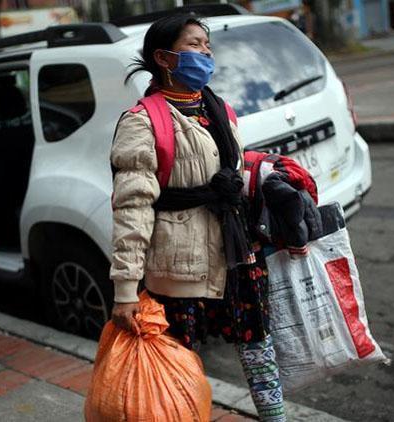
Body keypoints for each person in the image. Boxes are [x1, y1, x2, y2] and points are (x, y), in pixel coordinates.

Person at [109, 14, 286, 421]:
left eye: (207, 45)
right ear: (164, 58)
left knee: (258, 347)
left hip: (238, 253)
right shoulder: (142, 122)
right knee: (180, 364)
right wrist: (125, 290)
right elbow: (132, 210)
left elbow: (229, 171)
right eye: (194, 44)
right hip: (180, 267)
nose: (205, 52)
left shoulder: (219, 108)